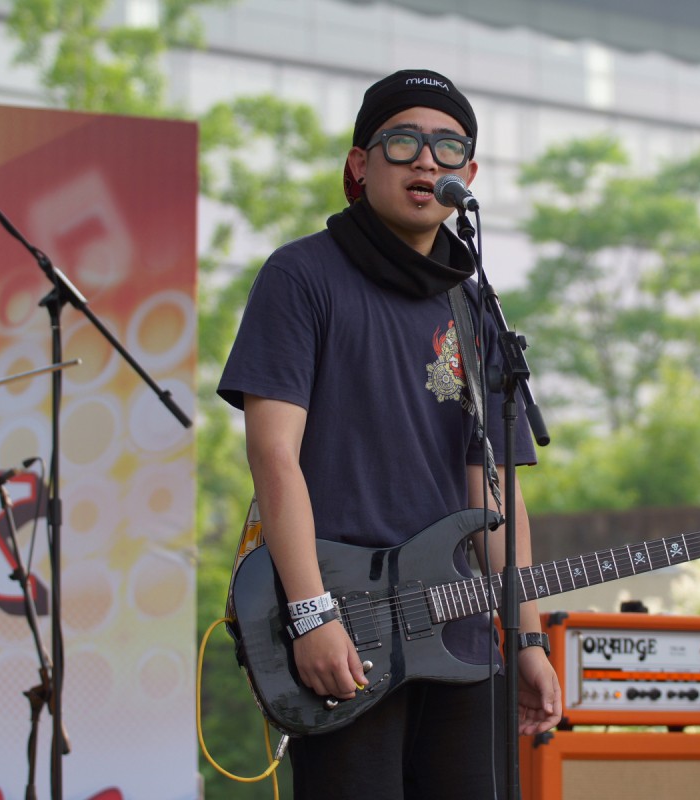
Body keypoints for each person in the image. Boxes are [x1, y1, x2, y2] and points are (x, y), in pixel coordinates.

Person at [217, 68, 562, 799]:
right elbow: (273, 456)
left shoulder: (474, 306)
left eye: (447, 147)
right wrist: (310, 614)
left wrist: (528, 636)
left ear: (468, 175)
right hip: (345, 622)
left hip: (462, 635)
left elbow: (492, 491)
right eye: (403, 141)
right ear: (359, 164)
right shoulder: (300, 276)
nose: (426, 160)